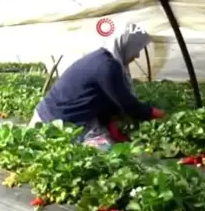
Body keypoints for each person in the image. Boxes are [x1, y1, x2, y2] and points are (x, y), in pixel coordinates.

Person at [29, 23, 165, 150]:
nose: (137, 55)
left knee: (109, 144)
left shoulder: (102, 59)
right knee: (108, 152)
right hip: (53, 124)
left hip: (55, 116)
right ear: (127, 45)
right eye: (136, 49)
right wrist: (153, 113)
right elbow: (128, 105)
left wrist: (112, 121)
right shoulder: (106, 67)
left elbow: (107, 99)